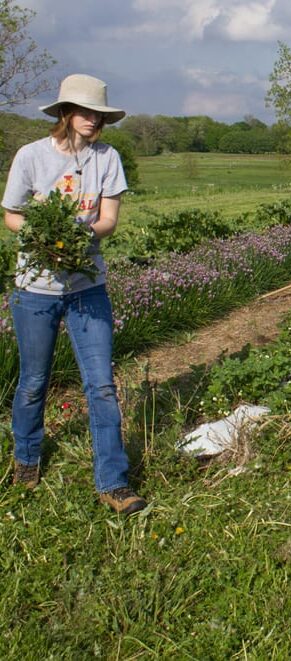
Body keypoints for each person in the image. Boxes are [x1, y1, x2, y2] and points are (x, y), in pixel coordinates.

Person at [3, 74, 146, 514]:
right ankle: (26, 458)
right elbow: (11, 215)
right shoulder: (31, 156)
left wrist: (76, 236)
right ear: (65, 112)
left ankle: (113, 482)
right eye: (84, 111)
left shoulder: (108, 158)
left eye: (97, 113)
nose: (91, 119)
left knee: (101, 385)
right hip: (36, 290)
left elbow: (108, 221)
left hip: (88, 287)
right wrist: (45, 237)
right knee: (33, 383)